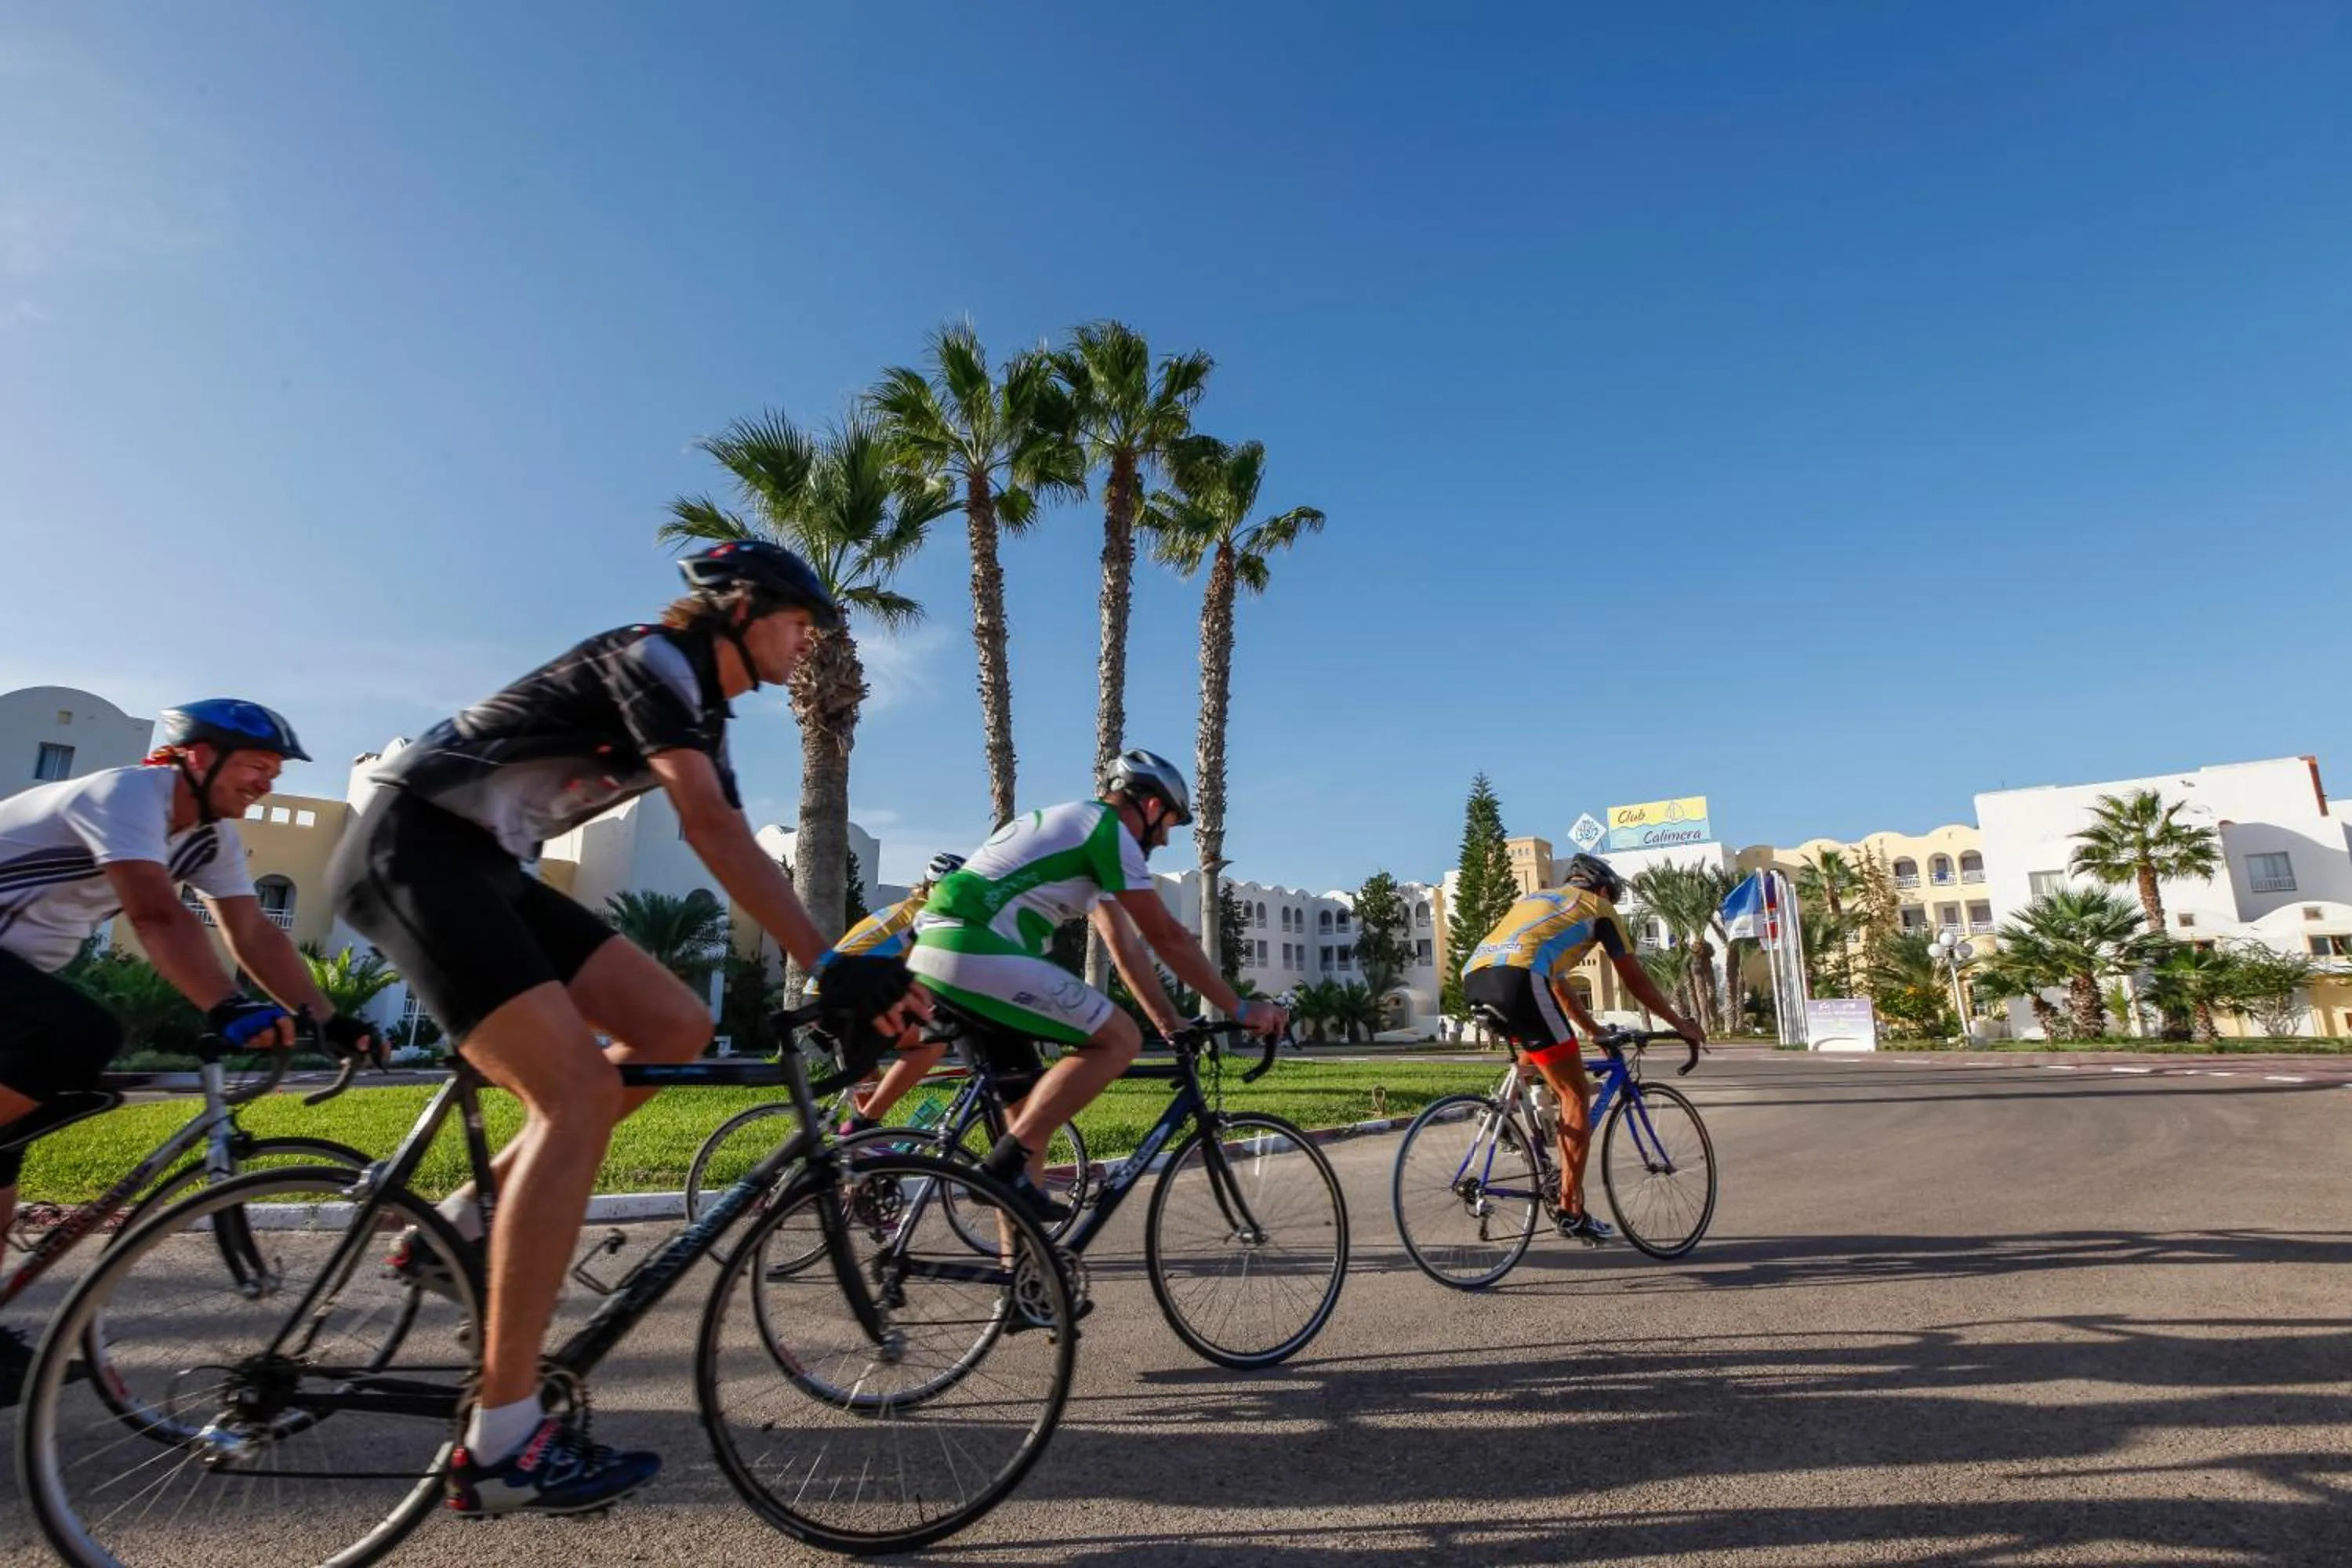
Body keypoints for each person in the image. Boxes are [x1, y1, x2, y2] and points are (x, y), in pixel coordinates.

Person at [328, 540, 923, 1518]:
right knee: (579, 1095)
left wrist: (829, 965)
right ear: (740, 607)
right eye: (797, 621)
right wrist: (826, 962)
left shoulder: (704, 712)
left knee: (674, 1021)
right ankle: (506, 1440)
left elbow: (736, 846)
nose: (809, 641)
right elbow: (713, 832)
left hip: (486, 867)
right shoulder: (656, 660)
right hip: (417, 848)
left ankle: (467, 1225)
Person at [0, 701, 374, 1406]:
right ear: (197, 758)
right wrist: (225, 1005)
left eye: (274, 773)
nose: (266, 783)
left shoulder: (208, 836)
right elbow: (155, 914)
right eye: (257, 767)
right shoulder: (128, 795)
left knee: (7, 1147)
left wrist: (329, 1018)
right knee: (77, 1036)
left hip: (14, 978)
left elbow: (254, 932)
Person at [905, 750, 1287, 1225]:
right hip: (971, 948)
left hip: (944, 954)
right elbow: (1165, 936)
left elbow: (1122, 944)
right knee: (1119, 1038)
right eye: (1168, 823)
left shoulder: (1082, 832)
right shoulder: (1106, 829)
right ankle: (1004, 1170)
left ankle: (1023, 1286)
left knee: (1027, 1132)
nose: (1166, 839)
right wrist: (1240, 1007)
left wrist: (1169, 1023)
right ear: (1149, 806)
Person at [1459, 852, 1703, 1243]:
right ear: (1604, 889)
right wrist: (1681, 1025)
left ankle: (1500, 1112)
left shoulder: (1537, 902)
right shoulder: (1600, 908)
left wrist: (1592, 1031)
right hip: (1521, 979)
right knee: (1573, 1094)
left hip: (1475, 977)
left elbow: (1557, 985)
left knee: (1541, 1053)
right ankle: (1571, 1210)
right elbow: (1635, 981)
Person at [815, 851, 964, 1134]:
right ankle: (862, 1127)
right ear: (931, 887)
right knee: (932, 1042)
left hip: (836, 994)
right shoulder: (925, 916)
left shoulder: (909, 909)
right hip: (844, 997)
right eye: (950, 889)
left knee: (869, 1113)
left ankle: (861, 1157)